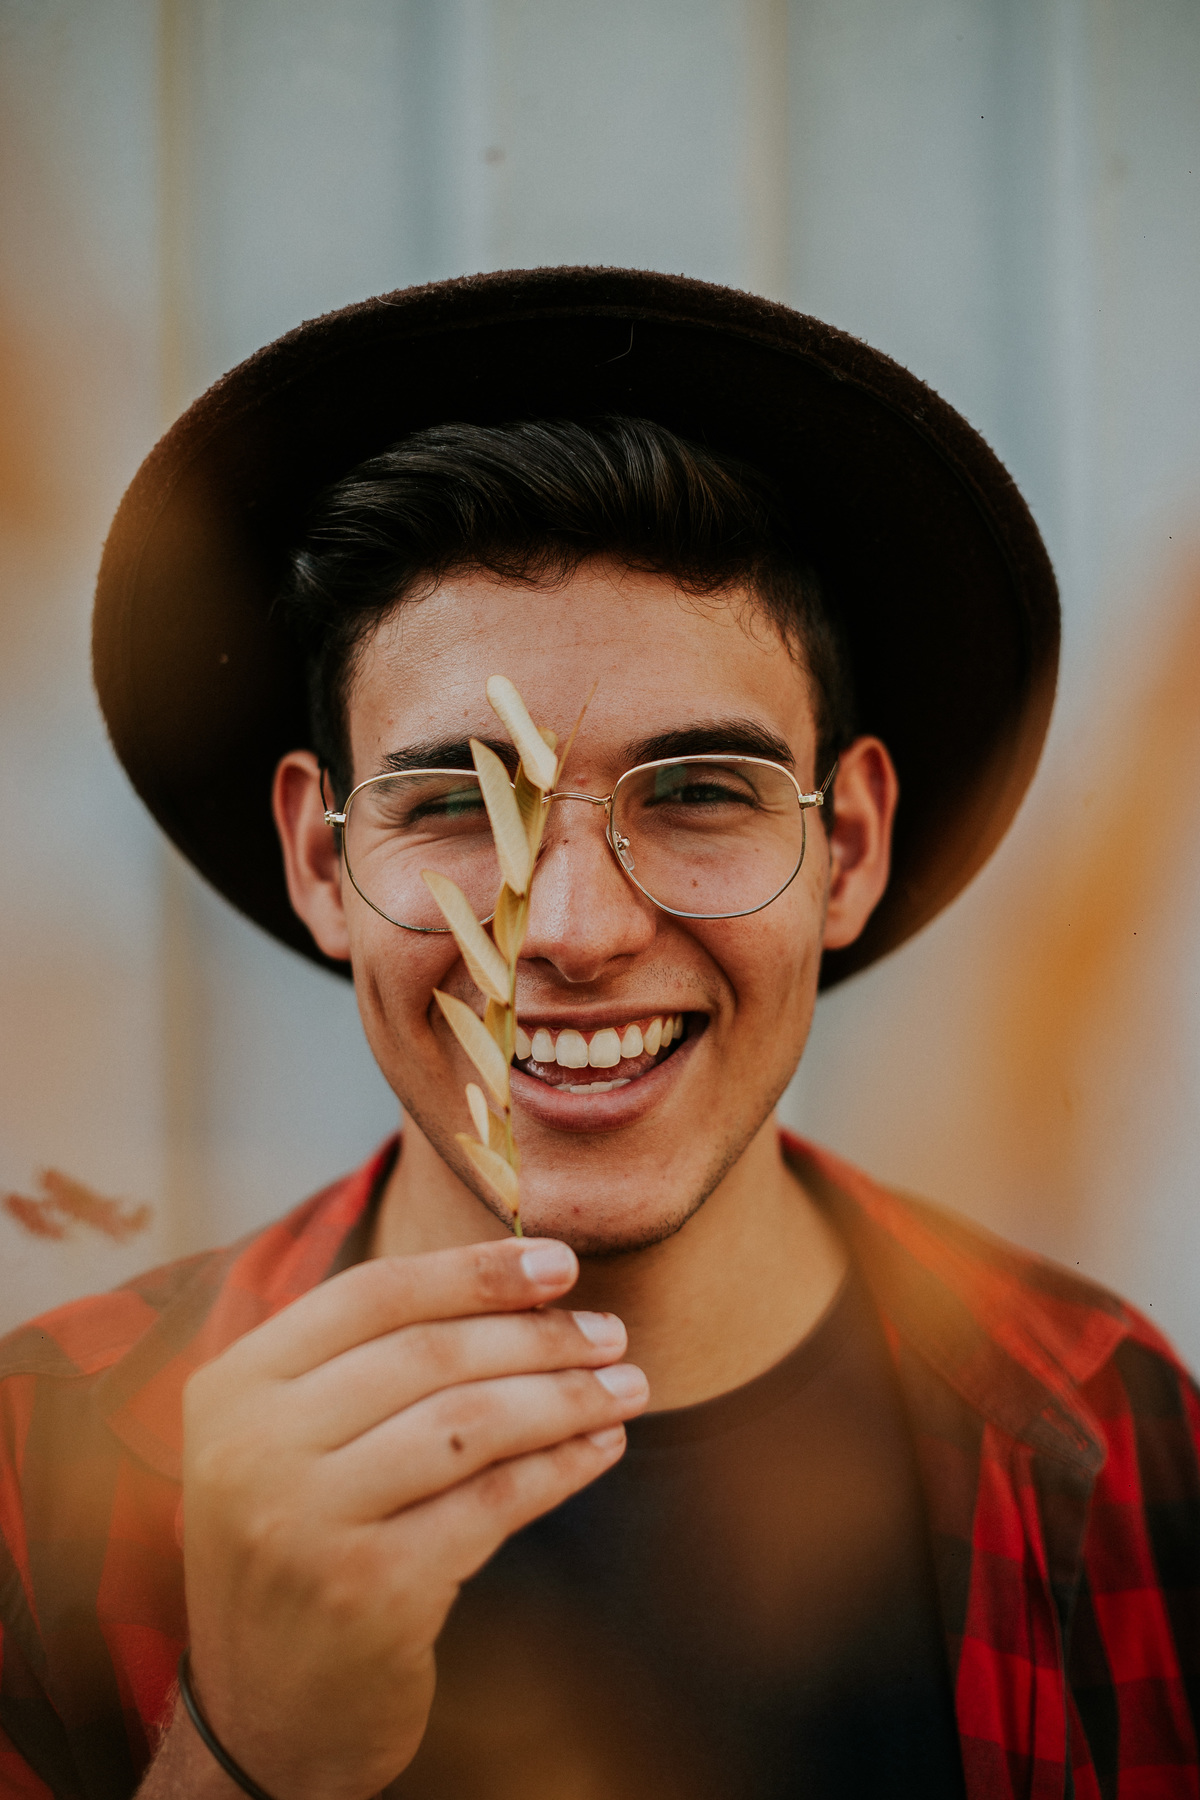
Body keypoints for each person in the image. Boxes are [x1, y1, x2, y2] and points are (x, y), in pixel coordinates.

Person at [2, 268, 1198, 1800]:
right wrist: (243, 1758)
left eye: (698, 791)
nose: (567, 929)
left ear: (847, 849)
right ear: (323, 863)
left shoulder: (1112, 1436)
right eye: (454, 804)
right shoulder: (38, 1474)